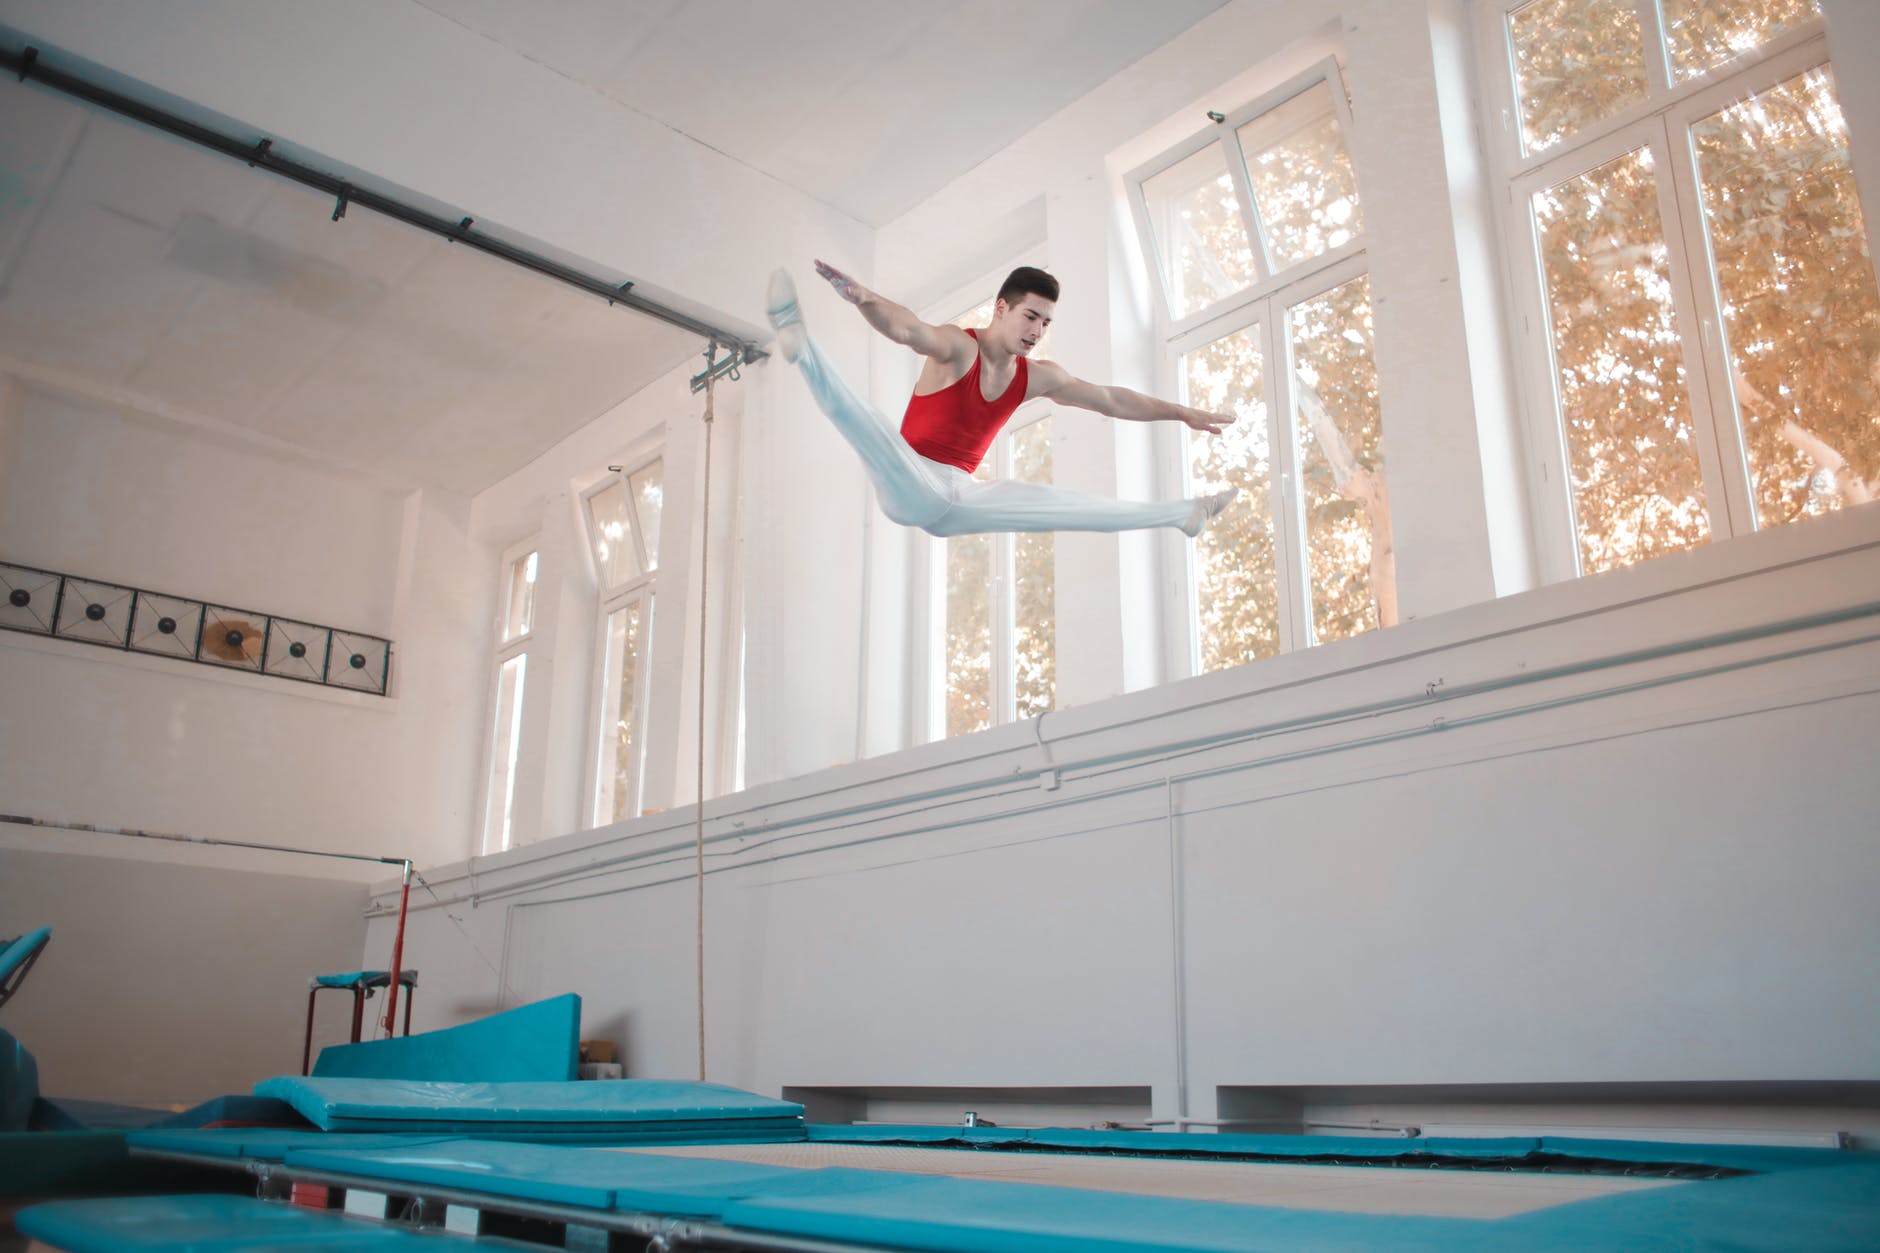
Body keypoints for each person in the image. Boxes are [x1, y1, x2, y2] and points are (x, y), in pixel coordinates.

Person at [766, 262, 1237, 538]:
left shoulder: (1037, 377)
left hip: (964, 498)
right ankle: (803, 346)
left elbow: (1110, 399)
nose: (1036, 332)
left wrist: (1179, 412)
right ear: (1001, 308)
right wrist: (864, 298)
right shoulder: (958, 347)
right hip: (912, 483)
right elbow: (908, 328)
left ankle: (1183, 514)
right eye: (1031, 316)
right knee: (864, 422)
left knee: (1068, 505)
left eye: (1046, 323)